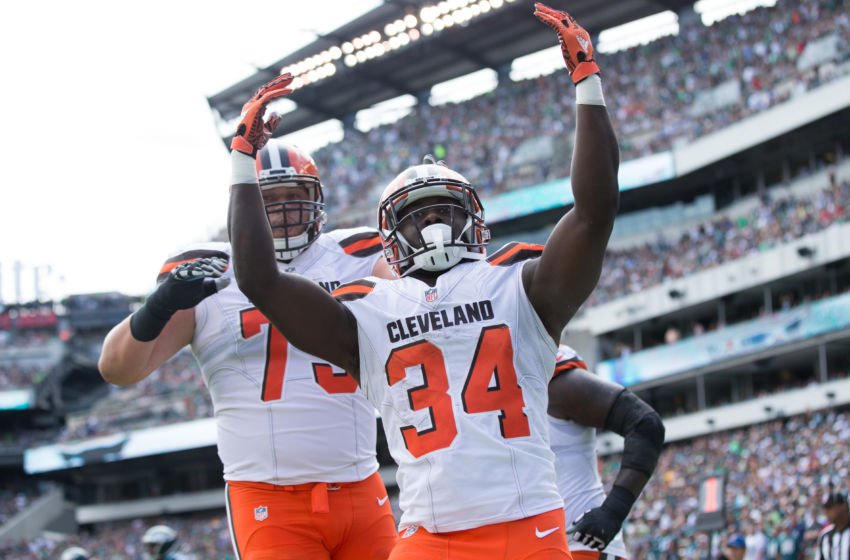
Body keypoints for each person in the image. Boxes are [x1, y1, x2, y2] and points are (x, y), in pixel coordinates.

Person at [228, 4, 619, 558]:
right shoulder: (369, 311)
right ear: (390, 234)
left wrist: (587, 82)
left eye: (444, 211)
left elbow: (594, 212)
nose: (434, 225)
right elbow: (259, 280)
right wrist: (244, 159)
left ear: (473, 219)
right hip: (428, 535)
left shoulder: (521, 287)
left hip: (525, 525)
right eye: (417, 216)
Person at [98, 140, 397, 560]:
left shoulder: (357, 254)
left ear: (317, 198)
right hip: (269, 498)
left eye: (294, 195)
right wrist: (162, 302)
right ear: (242, 205)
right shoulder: (209, 271)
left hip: (363, 484)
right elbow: (117, 369)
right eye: (267, 198)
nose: (283, 209)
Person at [547, 344, 664, 559]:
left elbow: (645, 424)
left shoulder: (551, 376)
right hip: (527, 545)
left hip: (579, 544)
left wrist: (613, 511)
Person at [815, 491, 850, 560]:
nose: (827, 512)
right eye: (825, 509)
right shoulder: (825, 535)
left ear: (844, 506)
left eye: (830, 507)